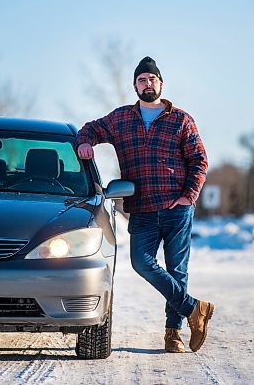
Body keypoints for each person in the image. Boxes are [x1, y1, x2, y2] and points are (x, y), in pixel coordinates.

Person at [75, 56, 214, 353]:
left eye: (151, 79)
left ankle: (172, 334)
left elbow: (199, 161)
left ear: (161, 84)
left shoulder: (181, 120)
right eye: (141, 79)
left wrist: (188, 196)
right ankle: (194, 309)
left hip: (177, 208)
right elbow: (90, 129)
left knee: (177, 269)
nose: (147, 83)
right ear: (135, 86)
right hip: (141, 209)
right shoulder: (121, 118)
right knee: (141, 263)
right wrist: (84, 143)